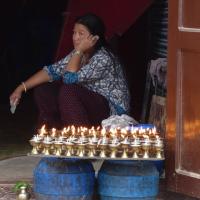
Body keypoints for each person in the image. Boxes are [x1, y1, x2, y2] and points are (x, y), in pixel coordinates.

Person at [9, 13, 130, 128]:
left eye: (81, 34)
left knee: (68, 90)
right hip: (87, 105)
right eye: (74, 33)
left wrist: (79, 51)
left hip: (109, 113)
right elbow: (52, 71)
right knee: (44, 89)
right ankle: (52, 130)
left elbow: (69, 78)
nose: (75, 38)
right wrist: (20, 88)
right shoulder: (79, 53)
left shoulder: (104, 58)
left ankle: (79, 138)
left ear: (94, 38)